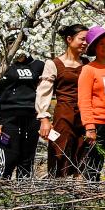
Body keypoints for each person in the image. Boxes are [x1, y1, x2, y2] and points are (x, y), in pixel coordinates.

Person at [36, 23, 90, 178]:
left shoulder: (87, 64)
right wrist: (44, 118)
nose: (85, 43)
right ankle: (58, 189)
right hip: (64, 113)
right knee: (60, 148)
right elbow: (43, 92)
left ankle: (80, 190)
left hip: (84, 114)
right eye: (82, 39)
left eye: (87, 40)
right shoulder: (54, 64)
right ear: (69, 39)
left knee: (82, 149)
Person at [0, 36, 45, 179]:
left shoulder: (38, 65)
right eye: (12, 45)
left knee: (27, 157)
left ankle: (23, 192)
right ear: (6, 47)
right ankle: (0, 190)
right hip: (7, 118)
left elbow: (43, 90)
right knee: (9, 156)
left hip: (32, 117)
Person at [78, 24, 105, 181]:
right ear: (94, 47)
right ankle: (91, 195)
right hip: (98, 122)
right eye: (101, 43)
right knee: (95, 162)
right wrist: (89, 127)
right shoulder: (89, 69)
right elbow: (84, 100)